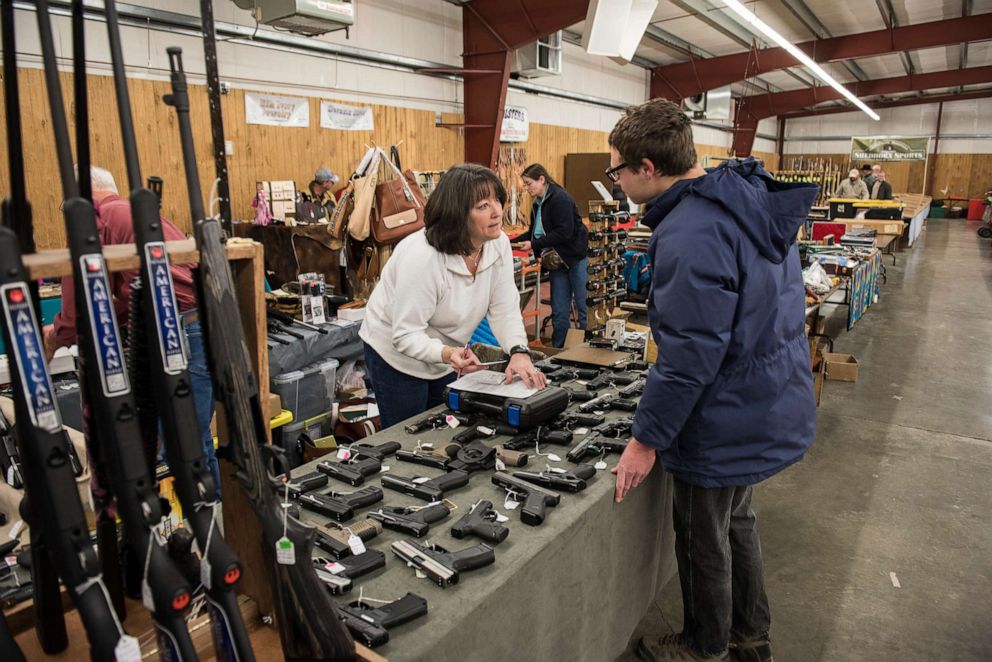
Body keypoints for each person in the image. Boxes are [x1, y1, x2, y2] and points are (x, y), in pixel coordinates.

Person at [606, 99, 817, 662]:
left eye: (617, 170)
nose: (616, 180)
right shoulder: (741, 198)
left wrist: (644, 440)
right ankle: (750, 634)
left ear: (648, 168)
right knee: (737, 519)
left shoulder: (691, 232)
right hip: (762, 397)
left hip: (722, 411)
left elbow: (689, 356)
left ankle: (705, 647)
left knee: (703, 537)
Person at [42, 166, 221, 496]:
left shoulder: (91, 222)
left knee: (180, 453)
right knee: (192, 448)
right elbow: (135, 294)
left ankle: (199, 533)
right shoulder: (139, 216)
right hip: (202, 325)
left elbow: (78, 311)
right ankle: (207, 529)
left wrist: (54, 336)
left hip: (177, 330)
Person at [359, 163, 547, 429]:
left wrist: (518, 351)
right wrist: (447, 353)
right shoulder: (422, 257)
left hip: (445, 353)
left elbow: (504, 307)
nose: (497, 211)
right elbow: (405, 334)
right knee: (406, 434)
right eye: (482, 206)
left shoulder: (498, 244)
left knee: (444, 426)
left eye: (497, 200)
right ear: (457, 215)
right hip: (395, 355)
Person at [514, 164, 589, 348]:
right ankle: (557, 351)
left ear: (541, 179)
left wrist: (533, 245)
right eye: (524, 184)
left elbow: (564, 232)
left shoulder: (560, 198)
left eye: (528, 183)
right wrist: (507, 241)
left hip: (575, 258)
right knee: (559, 311)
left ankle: (590, 347)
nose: (526, 188)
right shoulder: (536, 205)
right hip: (557, 262)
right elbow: (534, 233)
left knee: (584, 305)